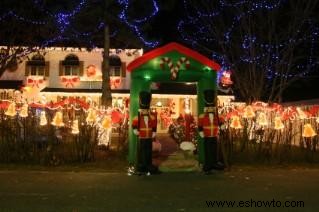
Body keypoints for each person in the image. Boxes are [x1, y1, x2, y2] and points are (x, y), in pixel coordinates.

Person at [198, 89, 224, 173]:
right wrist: (201, 130)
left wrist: (222, 124)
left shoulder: (216, 114)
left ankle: (214, 163)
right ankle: (208, 165)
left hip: (215, 135)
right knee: (208, 150)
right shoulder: (203, 115)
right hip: (207, 135)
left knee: (214, 150)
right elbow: (200, 124)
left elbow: (220, 121)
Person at [132, 91, 157, 175]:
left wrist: (154, 131)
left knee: (148, 151)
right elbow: (135, 123)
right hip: (142, 137)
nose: (145, 111)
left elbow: (153, 124)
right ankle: (141, 166)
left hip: (149, 136)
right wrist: (135, 129)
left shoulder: (151, 116)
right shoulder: (138, 116)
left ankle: (148, 165)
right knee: (141, 151)